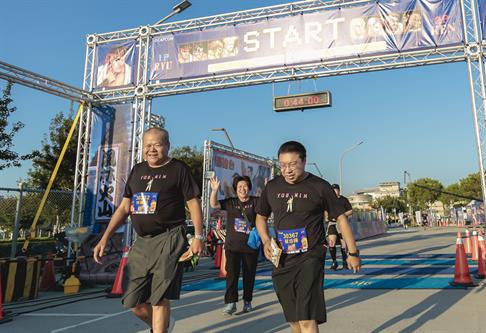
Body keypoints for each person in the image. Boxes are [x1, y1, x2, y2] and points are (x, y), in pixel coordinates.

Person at [93, 127, 204, 333]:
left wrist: (198, 236)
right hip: (142, 242)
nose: (151, 149)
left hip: (170, 236)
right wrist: (105, 237)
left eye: (157, 144)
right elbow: (125, 207)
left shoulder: (178, 169)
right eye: (147, 145)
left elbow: (193, 203)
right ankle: (163, 326)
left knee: (159, 295)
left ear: (167, 146)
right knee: (133, 302)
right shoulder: (138, 170)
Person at [255, 141, 361, 333]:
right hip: (282, 260)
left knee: (305, 317)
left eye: (293, 164)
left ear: (304, 162)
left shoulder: (319, 187)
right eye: (283, 165)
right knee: (293, 320)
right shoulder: (272, 187)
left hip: (310, 257)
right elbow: (260, 217)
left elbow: (341, 220)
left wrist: (353, 252)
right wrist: (265, 240)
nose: (287, 170)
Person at [209, 175, 259, 315]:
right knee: (232, 275)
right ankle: (231, 303)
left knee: (249, 275)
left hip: (251, 246)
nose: (242, 189)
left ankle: (247, 301)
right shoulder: (230, 202)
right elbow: (214, 205)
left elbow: (267, 209)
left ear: (249, 188)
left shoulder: (255, 202)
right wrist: (214, 190)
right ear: (236, 189)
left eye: (245, 186)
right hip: (232, 246)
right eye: (239, 187)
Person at [326, 184, 353, 271]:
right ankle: (334, 262)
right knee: (331, 243)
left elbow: (350, 211)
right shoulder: (329, 200)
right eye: (333, 190)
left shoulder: (343, 199)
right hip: (332, 223)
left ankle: (345, 262)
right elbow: (325, 210)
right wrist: (326, 217)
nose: (335, 191)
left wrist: (342, 216)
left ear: (339, 190)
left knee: (343, 244)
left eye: (336, 190)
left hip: (341, 224)